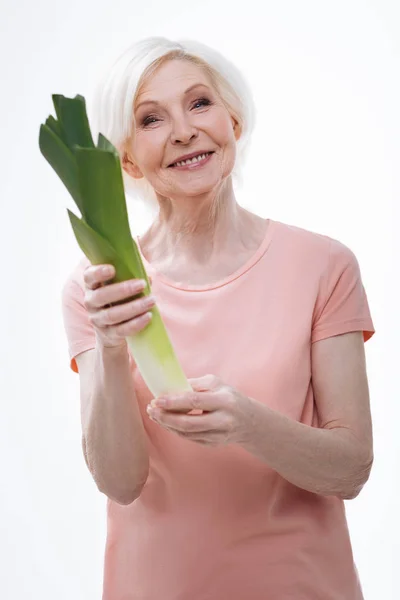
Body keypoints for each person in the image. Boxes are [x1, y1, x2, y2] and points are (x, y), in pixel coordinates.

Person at [61, 37, 375, 600]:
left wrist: (249, 424)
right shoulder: (102, 289)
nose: (184, 130)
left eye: (200, 103)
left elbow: (350, 469)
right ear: (128, 157)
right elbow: (120, 482)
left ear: (234, 120)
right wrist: (110, 347)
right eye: (151, 118)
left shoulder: (324, 266)